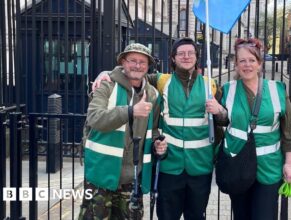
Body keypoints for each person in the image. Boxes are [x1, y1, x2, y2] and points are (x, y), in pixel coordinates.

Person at [92, 37, 222, 220]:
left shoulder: (212, 85)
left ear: (197, 57)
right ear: (173, 58)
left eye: (190, 53)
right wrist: (105, 73)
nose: (186, 56)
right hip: (169, 165)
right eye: (181, 53)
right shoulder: (161, 81)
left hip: (201, 166)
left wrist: (220, 111)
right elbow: (130, 74)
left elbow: (226, 119)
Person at [205, 38, 291, 220]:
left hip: (269, 167)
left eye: (251, 60)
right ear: (236, 65)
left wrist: (289, 163)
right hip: (237, 165)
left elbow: (289, 131)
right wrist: (219, 112)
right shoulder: (227, 89)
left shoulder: (277, 90)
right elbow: (224, 121)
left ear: (259, 64)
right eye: (242, 61)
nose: (247, 65)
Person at [78, 43, 167, 220]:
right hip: (100, 174)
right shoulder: (107, 85)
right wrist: (130, 110)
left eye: (142, 62)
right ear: (123, 62)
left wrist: (158, 143)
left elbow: (154, 129)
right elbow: (94, 117)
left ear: (148, 66)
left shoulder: (154, 95)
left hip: (132, 178)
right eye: (132, 60)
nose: (137, 65)